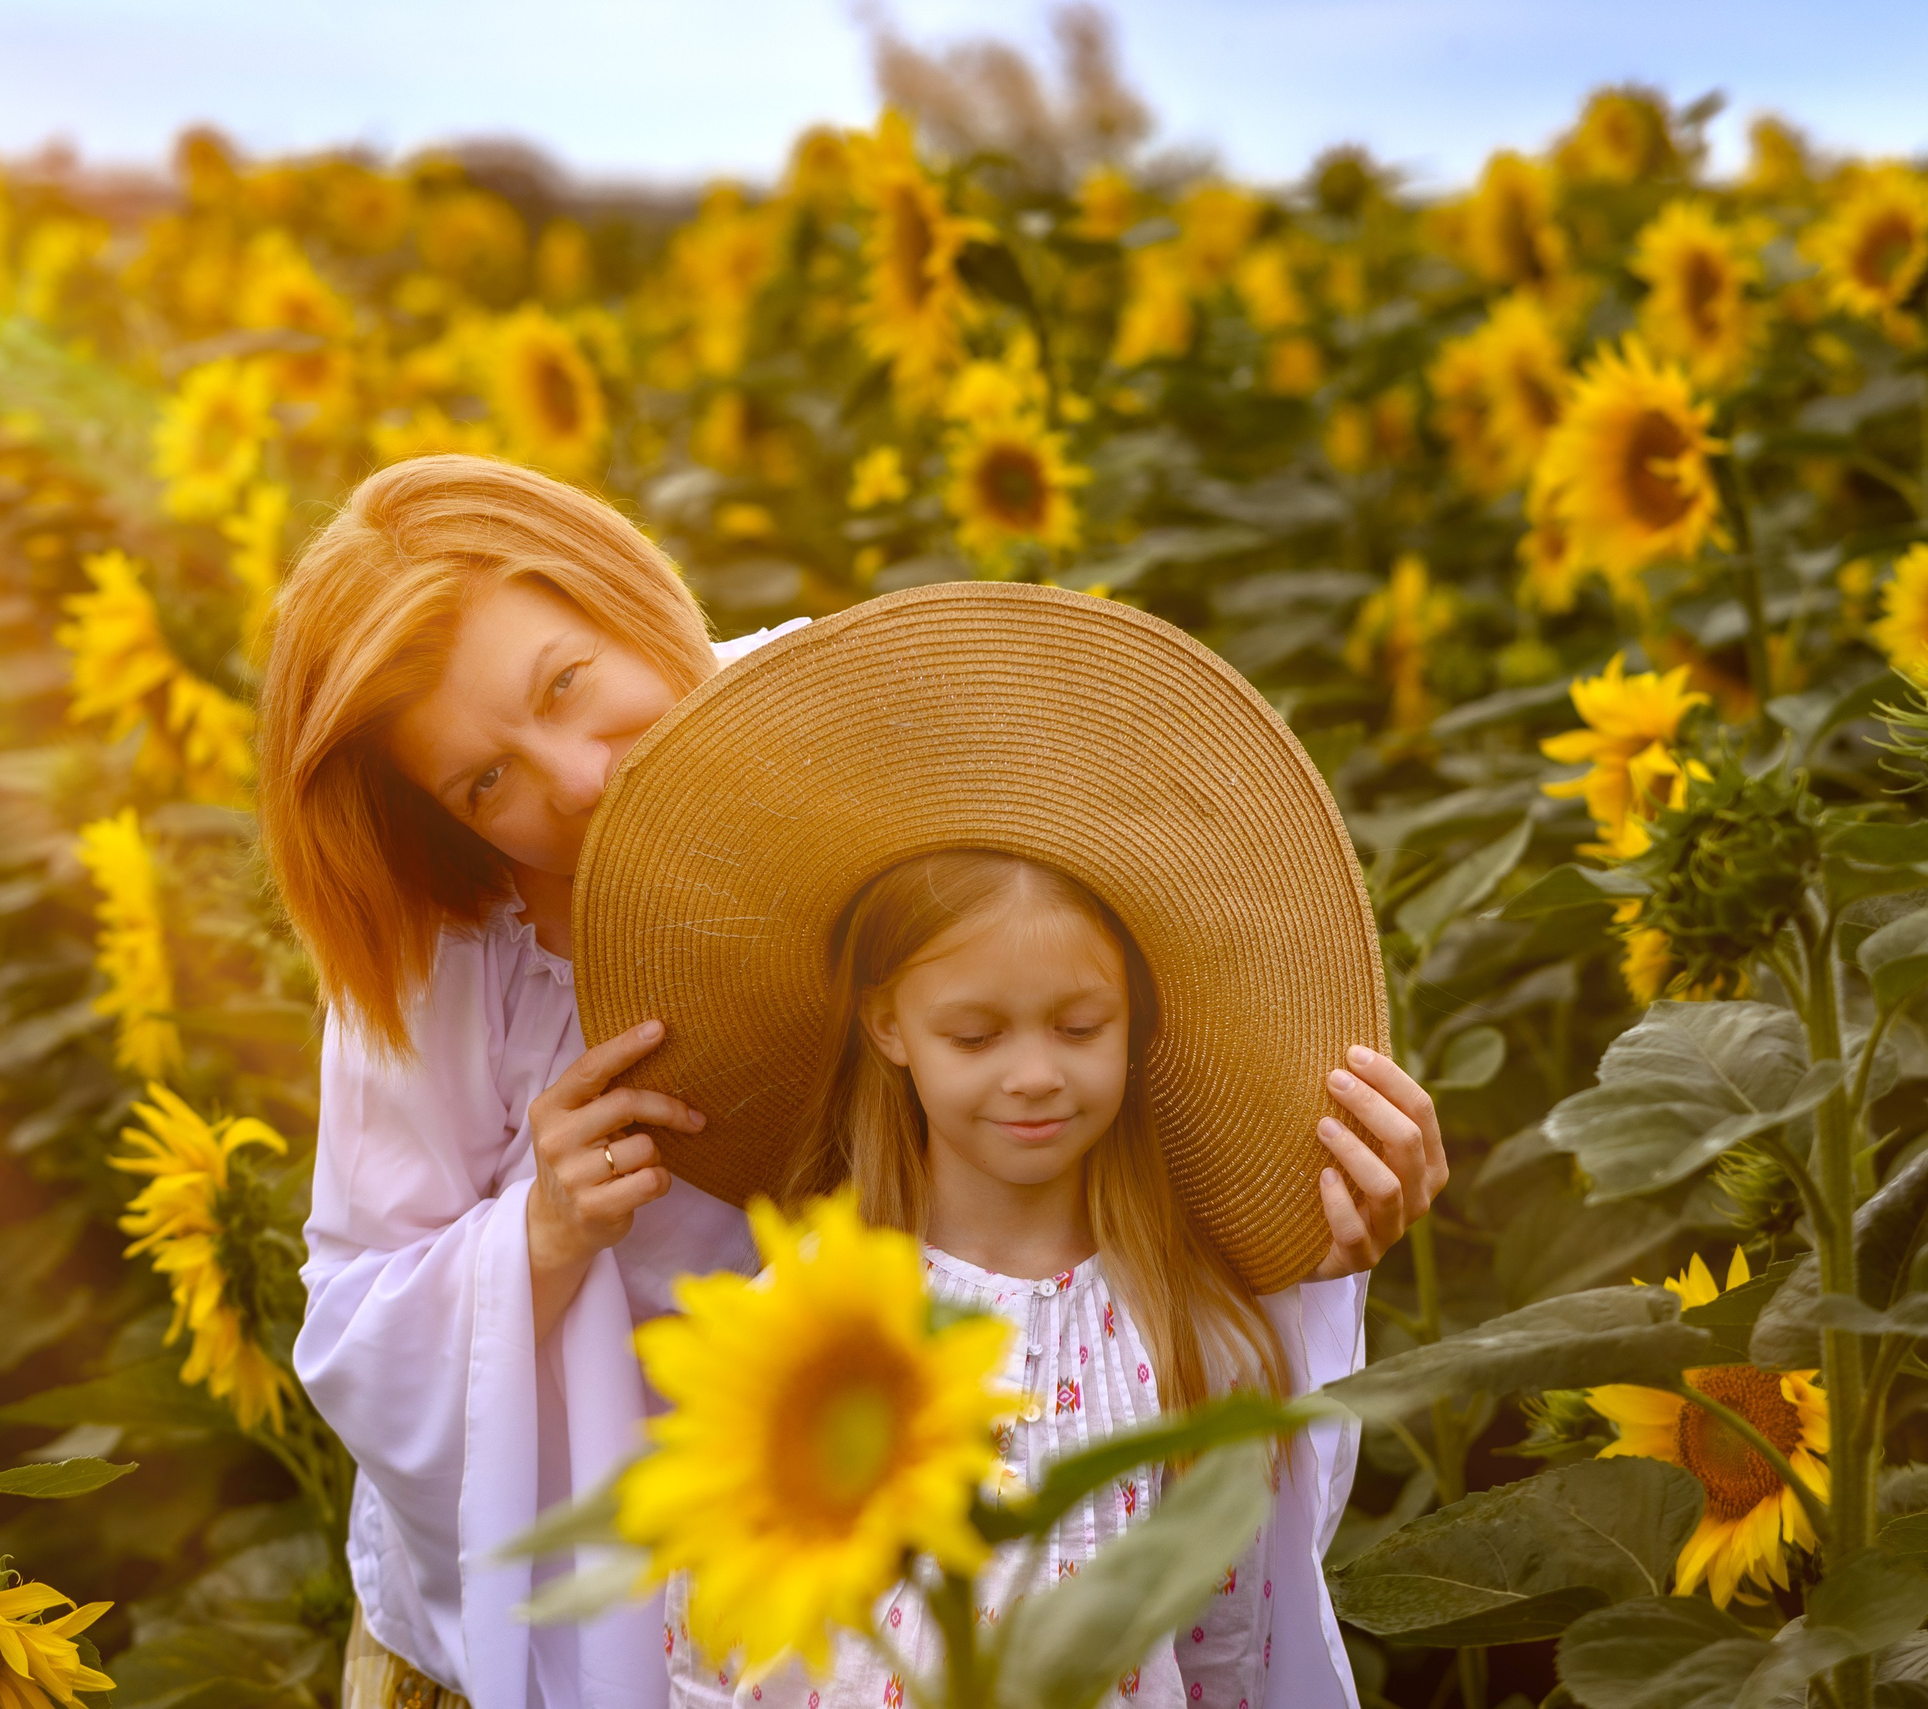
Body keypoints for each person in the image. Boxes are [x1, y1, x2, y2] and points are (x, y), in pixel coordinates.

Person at [256, 456, 1444, 1709]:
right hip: (635, 1621)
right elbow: (355, 1323)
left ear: (617, 593)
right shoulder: (445, 952)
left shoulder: (857, 729)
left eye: (566, 682)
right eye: (483, 781)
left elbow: (1106, 1029)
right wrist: (539, 1235)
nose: (577, 777)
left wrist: (1312, 1208)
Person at [569, 582, 1424, 1709]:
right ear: (889, 1027)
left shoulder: (1185, 1327)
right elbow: (714, 1643)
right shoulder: (807, 1320)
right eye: (973, 1032)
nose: (1033, 1072)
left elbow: (1228, 1646)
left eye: (1079, 1026)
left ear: (1136, 1019)